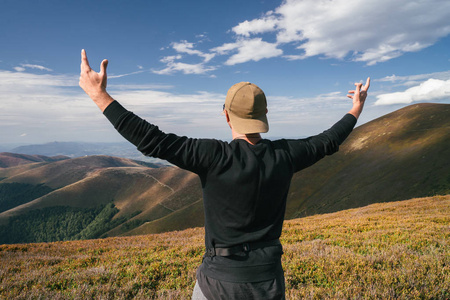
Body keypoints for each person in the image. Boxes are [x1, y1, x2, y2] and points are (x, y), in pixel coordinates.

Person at [79, 49, 370, 300]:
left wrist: (99, 95)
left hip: (219, 282)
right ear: (263, 115)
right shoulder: (286, 155)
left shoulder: (214, 157)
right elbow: (328, 140)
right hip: (269, 281)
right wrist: (356, 108)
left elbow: (152, 140)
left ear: (227, 115)